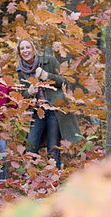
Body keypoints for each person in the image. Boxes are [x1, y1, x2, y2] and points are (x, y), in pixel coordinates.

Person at [16, 39, 82, 169]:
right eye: (22, 48)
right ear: (19, 52)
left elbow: (64, 81)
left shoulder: (49, 60)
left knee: (53, 146)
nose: (25, 51)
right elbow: (23, 96)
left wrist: (47, 76)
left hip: (53, 109)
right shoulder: (20, 69)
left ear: (33, 48)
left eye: (28, 47)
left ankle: (55, 177)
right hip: (37, 111)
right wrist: (29, 92)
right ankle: (29, 179)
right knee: (31, 145)